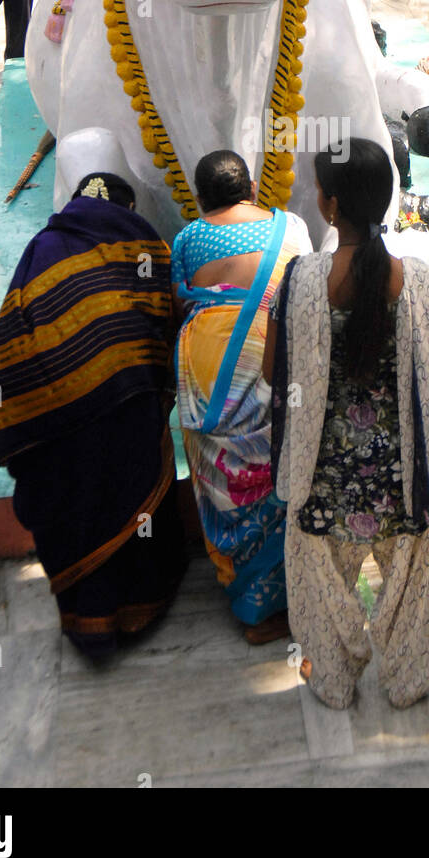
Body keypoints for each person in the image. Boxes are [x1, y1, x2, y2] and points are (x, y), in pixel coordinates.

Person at [265, 139, 429, 709]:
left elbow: (273, 372)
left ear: (328, 205)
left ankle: (331, 678)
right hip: (406, 478)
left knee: (321, 585)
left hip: (325, 475)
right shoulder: (422, 281)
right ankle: (406, 684)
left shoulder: (301, 280)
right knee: (410, 587)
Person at [0, 171, 185, 658]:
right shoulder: (144, 245)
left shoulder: (43, 246)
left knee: (75, 506)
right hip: (128, 400)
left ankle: (89, 622)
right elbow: (165, 318)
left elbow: (11, 334)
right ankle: (139, 608)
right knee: (134, 504)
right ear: (128, 207)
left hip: (56, 413)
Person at [171, 150, 312, 643]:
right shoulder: (290, 225)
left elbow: (180, 299)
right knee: (281, 469)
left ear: (200, 199)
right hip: (276, 355)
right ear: (252, 188)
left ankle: (253, 607)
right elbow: (304, 286)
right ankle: (299, 594)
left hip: (210, 368)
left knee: (227, 479)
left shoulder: (188, 237)